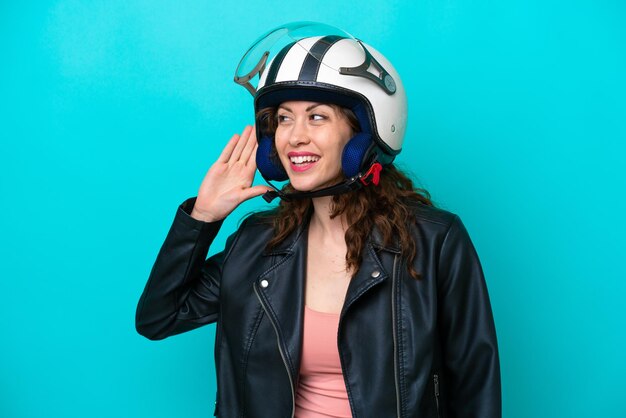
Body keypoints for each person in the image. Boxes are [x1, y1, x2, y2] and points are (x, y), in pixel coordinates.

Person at [136, 22, 501, 417]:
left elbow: (475, 387)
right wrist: (202, 218)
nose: (293, 137)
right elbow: (159, 316)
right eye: (284, 119)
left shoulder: (435, 242)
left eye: (317, 117)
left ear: (362, 135)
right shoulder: (257, 242)